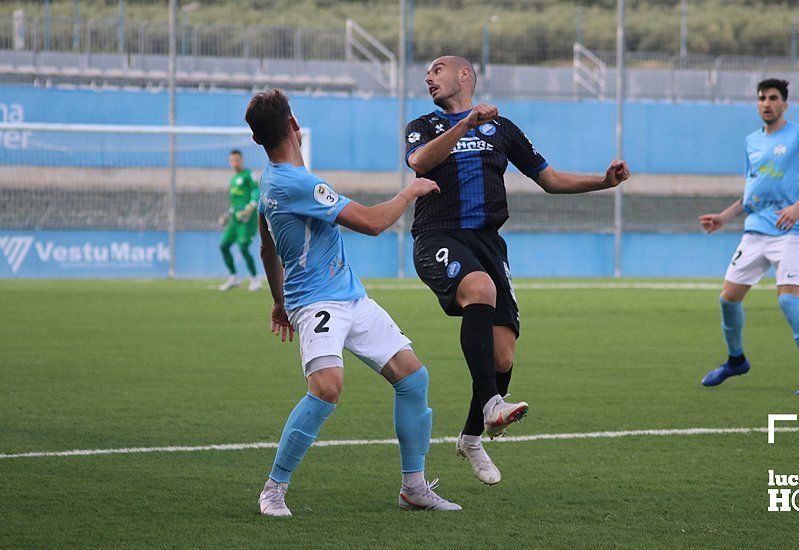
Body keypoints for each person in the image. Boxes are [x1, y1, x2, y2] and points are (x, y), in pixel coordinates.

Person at [405, 56, 630, 485]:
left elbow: (549, 178)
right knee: (478, 288)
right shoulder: (425, 125)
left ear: (464, 75)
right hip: (438, 235)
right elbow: (419, 162)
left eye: (437, 70)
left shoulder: (503, 130)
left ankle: (472, 438)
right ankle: (493, 404)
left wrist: (604, 182)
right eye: (428, 73)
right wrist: (466, 124)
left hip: (489, 242)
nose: (428, 77)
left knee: (504, 355)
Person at [246, 89, 460, 516]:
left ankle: (414, 488)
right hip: (317, 301)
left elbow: (265, 241)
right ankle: (273, 490)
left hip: (349, 295)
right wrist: (411, 191)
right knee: (326, 389)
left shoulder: (270, 179)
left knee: (413, 378)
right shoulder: (299, 182)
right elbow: (372, 223)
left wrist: (275, 299)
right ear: (294, 125)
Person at [699, 78, 799, 395]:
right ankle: (736, 361)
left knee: (788, 300)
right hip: (755, 232)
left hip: (789, 233)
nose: (766, 103)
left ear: (785, 104)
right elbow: (752, 192)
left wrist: (798, 207)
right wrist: (724, 217)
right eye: (761, 98)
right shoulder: (751, 142)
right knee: (727, 300)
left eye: (773, 98)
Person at [218, 149, 263, 291]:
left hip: (247, 219)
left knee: (243, 247)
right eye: (232, 160)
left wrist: (250, 207)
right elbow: (235, 203)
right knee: (223, 245)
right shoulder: (233, 179)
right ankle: (233, 277)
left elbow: (256, 192)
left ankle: (255, 279)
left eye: (237, 160)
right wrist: (227, 214)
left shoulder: (249, 175)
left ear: (242, 160)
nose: (234, 163)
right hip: (235, 220)